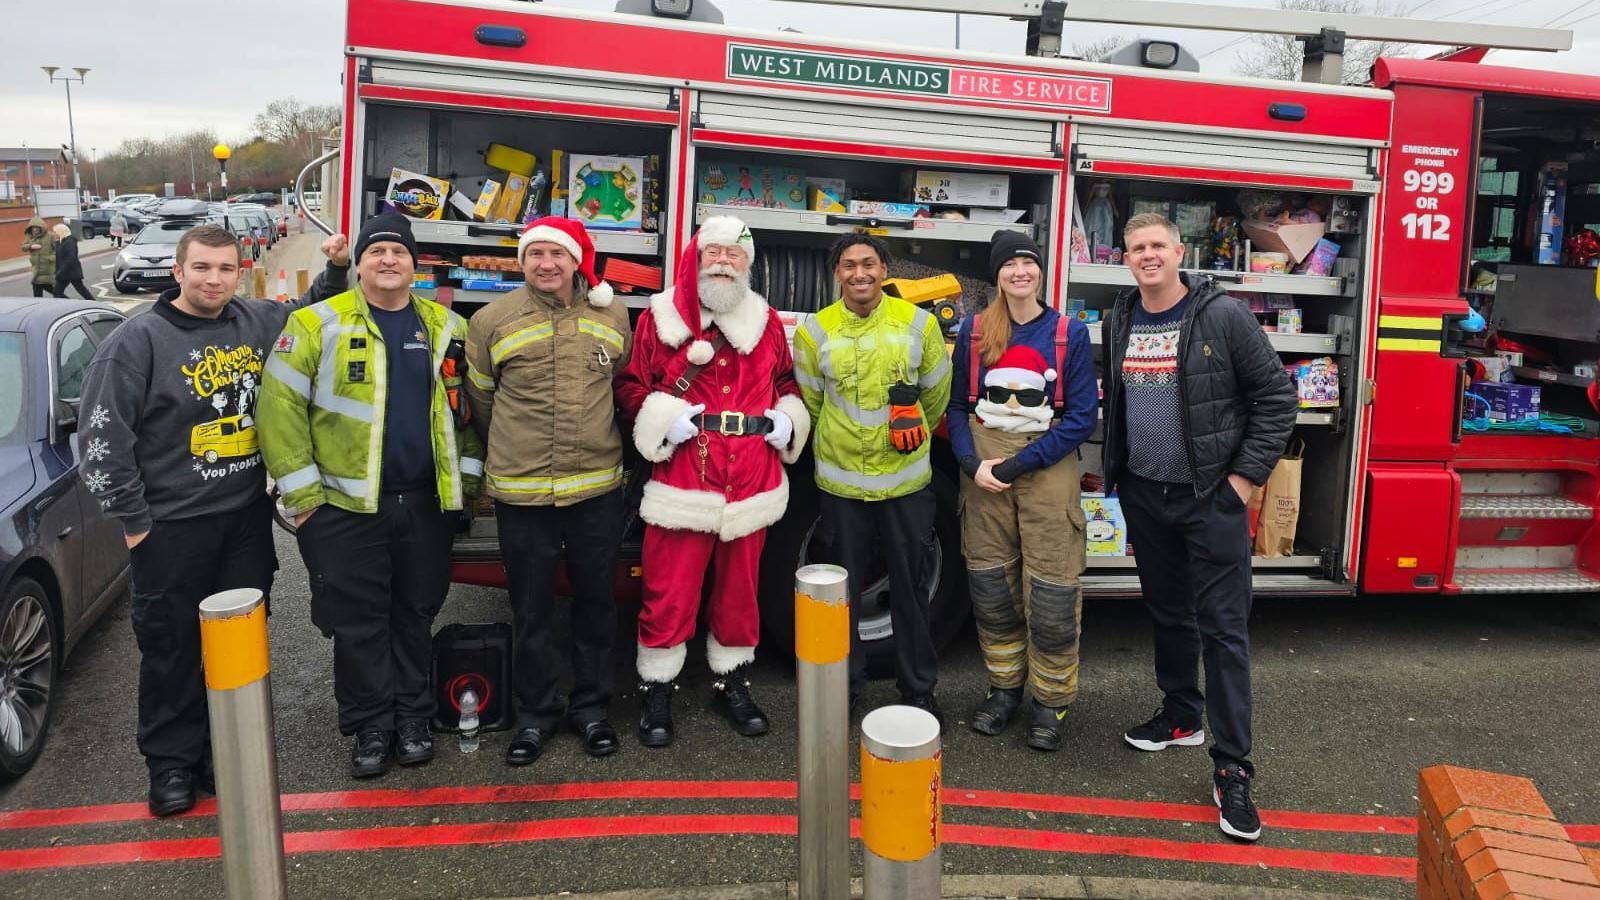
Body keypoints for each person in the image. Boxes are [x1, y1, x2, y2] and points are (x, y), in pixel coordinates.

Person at [77, 223, 349, 816]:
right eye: (201, 268)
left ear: (239, 272)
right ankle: (171, 766)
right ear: (178, 271)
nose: (213, 279)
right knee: (172, 651)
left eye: (225, 269)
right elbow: (101, 440)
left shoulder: (255, 321)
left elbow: (310, 313)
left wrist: (334, 269)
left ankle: (221, 755)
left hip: (243, 523)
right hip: (170, 530)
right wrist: (134, 520)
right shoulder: (136, 342)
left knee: (237, 650)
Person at [259, 213, 484, 780]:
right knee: (358, 623)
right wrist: (304, 498)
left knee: (415, 613)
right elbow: (279, 409)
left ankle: (412, 719)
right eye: (377, 251)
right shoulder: (313, 324)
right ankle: (369, 727)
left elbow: (464, 417)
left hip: (424, 505)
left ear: (416, 266)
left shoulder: (445, 327)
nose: (389, 260)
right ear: (357, 263)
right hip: (342, 510)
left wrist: (468, 486)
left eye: (400, 252)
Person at [1101, 212, 1295, 842]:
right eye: (1137, 248)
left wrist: (1242, 482)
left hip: (1210, 498)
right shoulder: (1120, 317)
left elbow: (1276, 399)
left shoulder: (1221, 315)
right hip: (1146, 496)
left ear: (1178, 251)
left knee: (1225, 631)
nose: (1148, 255)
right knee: (1167, 613)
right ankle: (1183, 716)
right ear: (1125, 257)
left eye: (1158, 245)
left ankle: (1233, 767)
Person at [616, 216, 810, 747]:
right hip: (685, 475)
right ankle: (657, 688)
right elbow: (632, 385)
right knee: (668, 592)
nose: (724, 263)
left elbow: (785, 379)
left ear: (748, 264)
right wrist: (661, 420)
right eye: (714, 253)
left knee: (740, 593)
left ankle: (732, 681)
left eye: (735, 255)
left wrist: (789, 418)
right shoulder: (659, 319)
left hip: (751, 477)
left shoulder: (766, 321)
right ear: (695, 259)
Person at [462, 216, 632, 767]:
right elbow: (482, 402)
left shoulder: (614, 315)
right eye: (534, 254)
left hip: (596, 493)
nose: (545, 264)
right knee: (531, 610)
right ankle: (536, 715)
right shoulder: (490, 320)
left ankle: (591, 710)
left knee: (595, 606)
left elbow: (620, 386)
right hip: (524, 494)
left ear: (576, 260)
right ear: (522, 261)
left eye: (556, 255)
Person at [946, 232, 1096, 752]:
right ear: (997, 276)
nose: (1019, 272)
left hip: (1044, 467)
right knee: (991, 591)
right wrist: (969, 462)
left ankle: (1050, 702)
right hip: (984, 473)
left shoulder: (1067, 333)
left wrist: (1014, 465)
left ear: (1040, 271)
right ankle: (1004, 690)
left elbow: (1080, 419)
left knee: (1052, 594)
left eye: (1028, 262)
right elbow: (957, 408)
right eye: (1009, 265)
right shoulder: (974, 330)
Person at [792, 234, 951, 720]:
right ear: (836, 274)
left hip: (905, 485)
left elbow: (935, 397)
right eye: (848, 266)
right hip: (841, 490)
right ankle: (846, 686)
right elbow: (813, 403)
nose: (859, 273)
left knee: (911, 590)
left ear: (885, 268)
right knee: (841, 599)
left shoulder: (919, 324)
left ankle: (918, 689)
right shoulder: (814, 332)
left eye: (868, 263)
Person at [20, 217, 62, 298]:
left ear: (41, 228)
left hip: (47, 268)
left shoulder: (50, 236)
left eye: (37, 228)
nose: (35, 230)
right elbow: (23, 247)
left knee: (52, 290)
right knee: (38, 288)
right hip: (36, 270)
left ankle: (67, 301)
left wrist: (52, 257)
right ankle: (40, 305)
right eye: (33, 228)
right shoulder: (30, 237)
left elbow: (57, 249)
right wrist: (31, 246)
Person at [52, 223, 94, 301]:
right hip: (64, 272)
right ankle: (71, 304)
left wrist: (60, 271)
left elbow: (71, 258)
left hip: (71, 272)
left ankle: (94, 303)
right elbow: (59, 258)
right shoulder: (60, 241)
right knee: (57, 292)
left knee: (81, 290)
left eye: (55, 232)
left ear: (60, 232)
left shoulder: (70, 242)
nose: (53, 234)